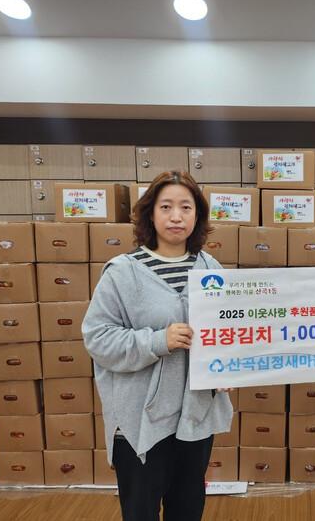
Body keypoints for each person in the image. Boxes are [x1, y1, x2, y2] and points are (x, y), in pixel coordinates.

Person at [82, 170, 233, 521]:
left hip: (195, 417)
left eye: (186, 207)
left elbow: (226, 331)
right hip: (139, 421)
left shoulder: (210, 269)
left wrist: (228, 365)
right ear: (150, 213)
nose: (176, 216)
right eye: (166, 207)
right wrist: (157, 341)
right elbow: (97, 337)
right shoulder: (122, 272)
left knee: (187, 508)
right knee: (141, 511)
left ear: (198, 216)